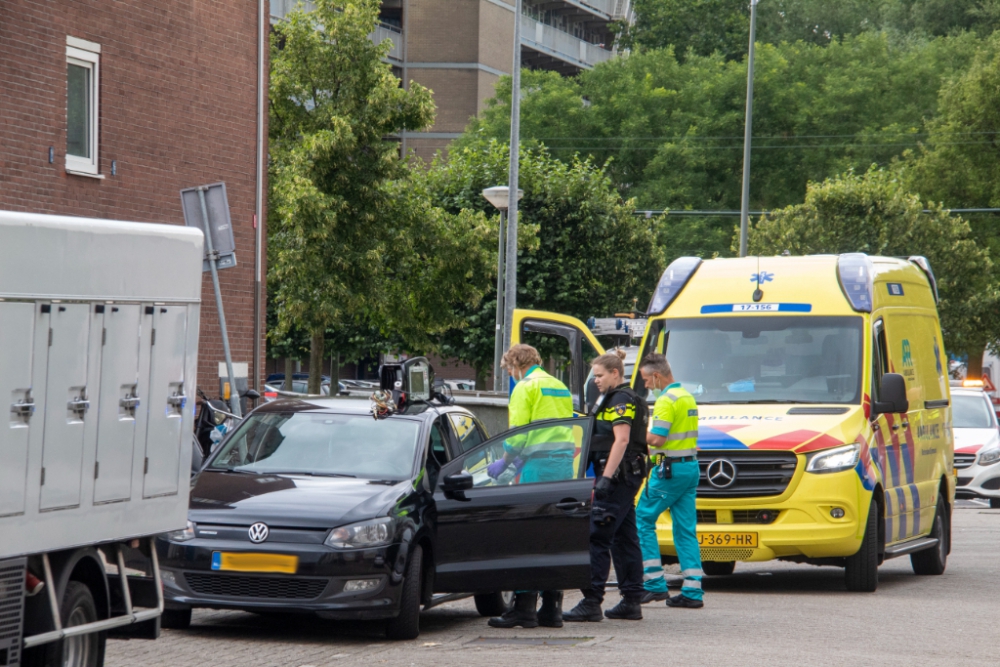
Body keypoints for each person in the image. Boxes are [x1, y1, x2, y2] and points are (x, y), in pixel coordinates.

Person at [486, 344, 574, 629]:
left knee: (529, 535)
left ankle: (523, 609)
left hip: (539, 467)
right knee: (556, 536)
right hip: (562, 466)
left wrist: (505, 460)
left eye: (509, 369)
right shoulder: (558, 385)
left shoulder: (525, 386)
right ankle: (552, 609)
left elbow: (519, 434)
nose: (510, 375)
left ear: (515, 364)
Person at [564, 350, 648, 622]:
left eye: (599, 375)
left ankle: (591, 601)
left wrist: (606, 477)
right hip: (623, 475)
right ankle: (632, 600)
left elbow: (621, 440)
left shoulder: (621, 399)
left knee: (597, 535)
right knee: (624, 536)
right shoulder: (613, 398)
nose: (595, 380)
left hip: (618, 476)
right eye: (594, 375)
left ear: (615, 373)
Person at [635, 353, 704, 608]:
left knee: (642, 519)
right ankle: (693, 592)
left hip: (669, 471)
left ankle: (654, 584)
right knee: (685, 530)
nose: (646, 385)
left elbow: (658, 439)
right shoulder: (687, 396)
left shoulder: (665, 400)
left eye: (646, 379)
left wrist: (633, 432)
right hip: (690, 468)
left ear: (657, 375)